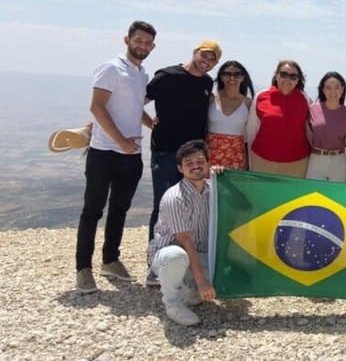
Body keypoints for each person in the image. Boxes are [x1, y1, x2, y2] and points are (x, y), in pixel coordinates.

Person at [75, 21, 156, 293]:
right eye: (139, 40)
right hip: (104, 151)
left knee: (120, 209)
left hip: (130, 155)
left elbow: (133, 107)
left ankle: (110, 260)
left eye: (147, 43)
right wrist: (120, 140)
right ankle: (83, 269)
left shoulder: (142, 74)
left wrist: (151, 123)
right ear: (127, 40)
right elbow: (97, 107)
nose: (142, 46)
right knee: (93, 210)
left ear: (152, 47)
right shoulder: (111, 68)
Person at [146, 40, 220, 241]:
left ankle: (186, 253)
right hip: (166, 152)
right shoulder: (167, 76)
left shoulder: (207, 82)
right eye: (205, 55)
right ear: (195, 52)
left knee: (193, 203)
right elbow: (137, 102)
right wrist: (148, 122)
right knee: (163, 203)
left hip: (194, 157)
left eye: (213, 59)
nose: (208, 61)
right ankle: (156, 256)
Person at [148, 140, 217, 326]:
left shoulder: (215, 189)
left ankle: (189, 290)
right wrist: (202, 282)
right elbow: (186, 242)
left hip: (199, 254)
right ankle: (173, 305)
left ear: (209, 164)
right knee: (176, 255)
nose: (196, 166)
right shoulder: (175, 197)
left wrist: (225, 176)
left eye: (200, 161)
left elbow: (244, 206)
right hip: (169, 255)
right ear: (180, 168)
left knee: (232, 275)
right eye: (189, 163)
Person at [247, 60, 310, 177]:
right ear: (276, 75)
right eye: (283, 74)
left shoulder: (305, 99)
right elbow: (251, 131)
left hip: (297, 163)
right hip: (263, 161)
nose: (287, 79)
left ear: (298, 80)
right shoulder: (261, 96)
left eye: (293, 76)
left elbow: (309, 131)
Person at [306, 71, 346, 182]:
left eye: (337, 87)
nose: (333, 91)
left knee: (337, 196)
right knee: (314, 195)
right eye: (328, 87)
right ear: (323, 90)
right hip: (316, 159)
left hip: (339, 161)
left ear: (343, 89)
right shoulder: (312, 109)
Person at [207, 61, 254, 170]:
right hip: (210, 154)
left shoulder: (248, 103)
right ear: (221, 77)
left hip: (237, 155)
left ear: (243, 78)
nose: (232, 78)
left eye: (237, 74)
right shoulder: (211, 99)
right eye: (227, 74)